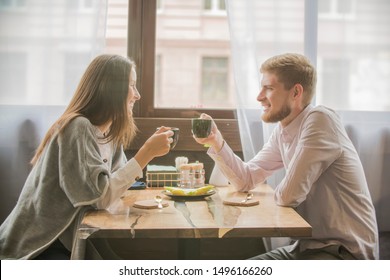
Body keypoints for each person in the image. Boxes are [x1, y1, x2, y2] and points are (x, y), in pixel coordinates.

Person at [194, 53, 379, 260]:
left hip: (344, 253)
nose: (259, 96)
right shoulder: (283, 131)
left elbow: (290, 195)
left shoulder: (320, 119)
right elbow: (245, 179)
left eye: (269, 88)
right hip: (304, 248)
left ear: (296, 92)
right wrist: (216, 141)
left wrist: (278, 194)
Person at [0, 54, 174, 259]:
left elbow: (118, 185)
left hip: (72, 237)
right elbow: (100, 197)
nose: (137, 95)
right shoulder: (77, 127)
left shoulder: (109, 134)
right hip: (41, 244)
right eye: (132, 85)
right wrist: (147, 153)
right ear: (111, 90)